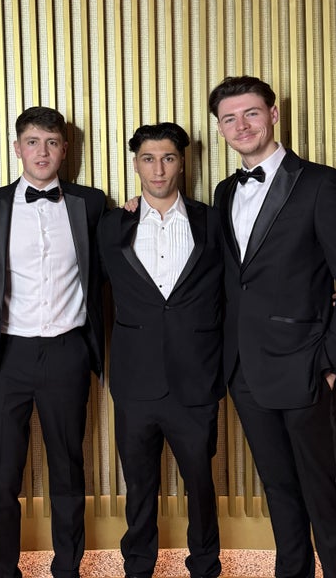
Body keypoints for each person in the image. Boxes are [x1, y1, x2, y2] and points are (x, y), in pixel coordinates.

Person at [208, 75, 336, 578]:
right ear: (220, 128)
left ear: (273, 115)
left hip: (307, 369)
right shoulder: (224, 192)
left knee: (325, 497)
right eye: (229, 118)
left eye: (251, 113)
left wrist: (333, 364)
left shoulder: (321, 183)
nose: (241, 125)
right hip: (245, 370)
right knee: (280, 493)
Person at [0, 106, 106, 578]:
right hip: (5, 355)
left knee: (68, 470)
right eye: (32, 142)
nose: (42, 152)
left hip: (67, 351)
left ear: (64, 150)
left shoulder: (92, 204)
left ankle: (68, 568)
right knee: (0, 476)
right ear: (17, 148)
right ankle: (2, 572)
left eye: (51, 143)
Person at [98, 123, 224, 578]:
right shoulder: (111, 224)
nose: (158, 169)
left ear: (182, 163)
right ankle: (138, 566)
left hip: (197, 377)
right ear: (135, 164)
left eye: (168, 158)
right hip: (135, 379)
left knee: (201, 484)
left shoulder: (214, 221)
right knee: (138, 485)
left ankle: (205, 566)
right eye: (148, 159)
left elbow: (244, 285)